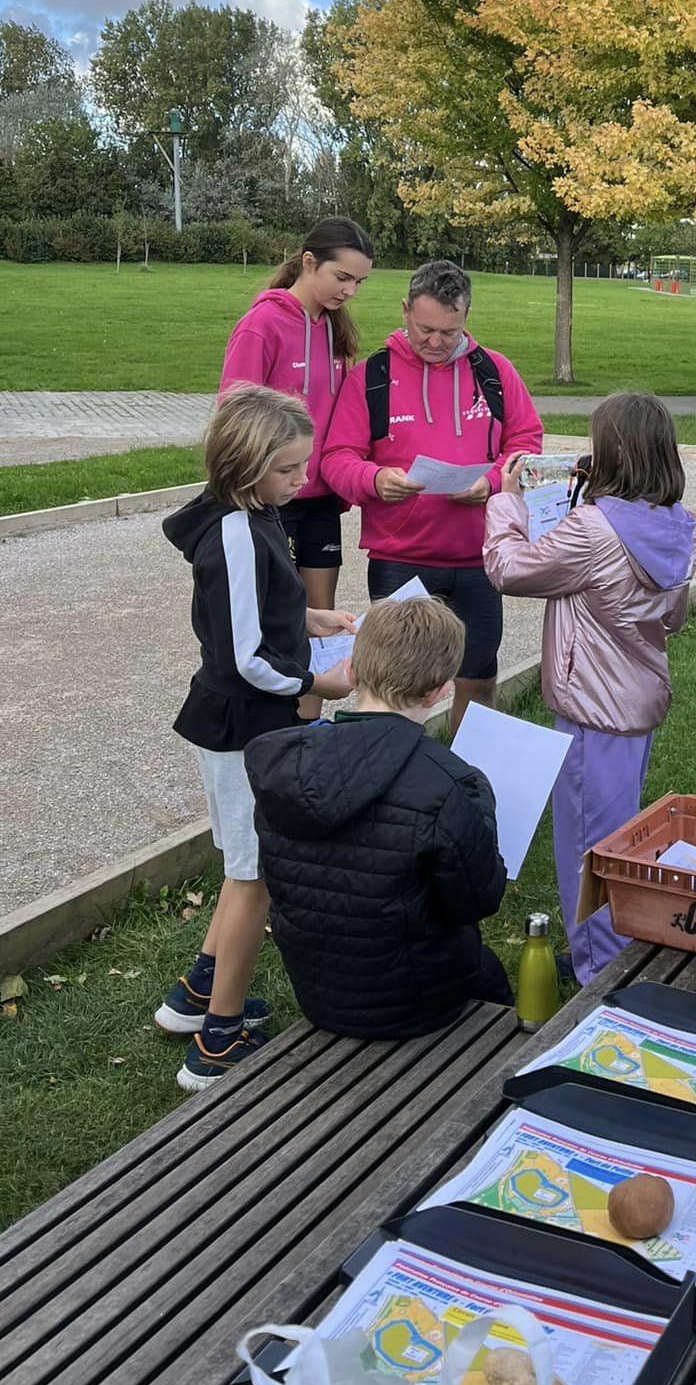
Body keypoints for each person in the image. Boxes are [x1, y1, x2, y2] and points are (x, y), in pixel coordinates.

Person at [157, 387, 356, 1090]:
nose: (300, 483)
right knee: (255, 877)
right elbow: (244, 656)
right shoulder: (235, 531)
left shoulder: (259, 512)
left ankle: (195, 996)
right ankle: (217, 1042)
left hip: (253, 719)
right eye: (287, 470)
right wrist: (315, 684)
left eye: (303, 468)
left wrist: (309, 620)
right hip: (246, 726)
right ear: (243, 466)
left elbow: (265, 613)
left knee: (246, 865)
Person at [483, 393, 696, 985]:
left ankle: (596, 973)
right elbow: (673, 617)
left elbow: (510, 569)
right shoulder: (678, 525)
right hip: (637, 696)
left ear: (615, 452)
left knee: (588, 848)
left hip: (590, 705)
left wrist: (507, 502)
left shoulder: (594, 530)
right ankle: (613, 944)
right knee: (621, 835)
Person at [246, 596, 510, 1036]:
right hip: (418, 1004)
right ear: (440, 690)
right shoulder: (449, 783)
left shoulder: (283, 765)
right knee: (493, 978)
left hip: (319, 993)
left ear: (350, 670)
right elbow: (479, 900)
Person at [322, 259, 542, 734]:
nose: (437, 342)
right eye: (425, 329)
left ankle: (465, 783)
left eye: (450, 331)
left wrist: (489, 482)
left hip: (478, 557)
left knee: (479, 681)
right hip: (402, 557)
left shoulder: (494, 371)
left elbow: (526, 443)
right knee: (392, 686)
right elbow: (337, 456)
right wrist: (375, 480)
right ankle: (395, 783)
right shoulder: (372, 375)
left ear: (466, 318)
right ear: (405, 311)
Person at [218, 218, 374, 610]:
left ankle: (321, 676)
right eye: (342, 277)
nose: (350, 290)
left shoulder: (335, 330)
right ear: (309, 262)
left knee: (321, 613)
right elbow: (234, 416)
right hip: (271, 497)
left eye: (359, 282)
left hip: (322, 497)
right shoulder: (261, 325)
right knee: (277, 612)